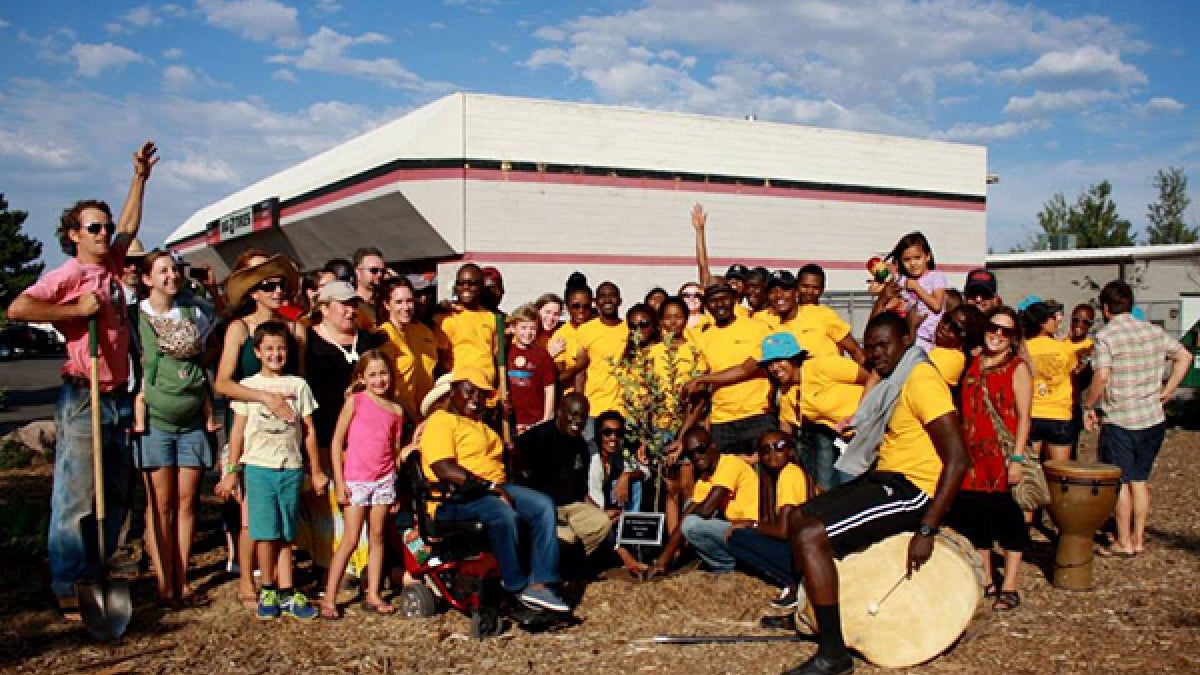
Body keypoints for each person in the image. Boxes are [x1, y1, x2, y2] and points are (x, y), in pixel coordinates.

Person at [8, 140, 157, 620]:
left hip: (116, 396)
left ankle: (99, 567)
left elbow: (132, 224)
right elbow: (19, 307)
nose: (104, 233)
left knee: (115, 491)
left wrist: (139, 178)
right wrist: (74, 311)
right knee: (76, 493)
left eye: (105, 227)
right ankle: (68, 579)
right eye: (94, 227)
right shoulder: (68, 273)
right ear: (74, 233)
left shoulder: (112, 265)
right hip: (82, 394)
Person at [782, 312, 967, 675]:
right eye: (870, 348)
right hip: (885, 477)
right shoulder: (893, 381)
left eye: (884, 345)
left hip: (913, 490)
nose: (876, 354)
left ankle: (833, 655)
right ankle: (811, 612)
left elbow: (958, 460)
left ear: (905, 342)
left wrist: (927, 529)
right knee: (799, 516)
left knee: (809, 536)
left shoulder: (922, 380)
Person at [419, 368, 570, 613]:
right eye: (469, 391)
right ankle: (516, 586)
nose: (475, 399)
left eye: (481, 394)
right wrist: (489, 487)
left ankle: (542, 582)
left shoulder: (483, 426)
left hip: (494, 488)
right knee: (502, 513)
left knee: (543, 505)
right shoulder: (441, 421)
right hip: (458, 496)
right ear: (453, 391)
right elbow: (444, 468)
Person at [215, 322, 328, 621]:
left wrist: (315, 470)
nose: (276, 355)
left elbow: (308, 431)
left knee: (287, 532)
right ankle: (267, 585)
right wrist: (231, 471)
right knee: (264, 532)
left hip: (289, 467)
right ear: (257, 352)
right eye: (269, 349)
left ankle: (287, 589)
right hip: (258, 467)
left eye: (281, 349)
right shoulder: (248, 387)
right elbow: (237, 433)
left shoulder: (298, 386)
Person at [213, 250, 307, 607]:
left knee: (282, 515)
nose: (277, 291)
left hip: (285, 435)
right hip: (249, 428)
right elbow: (223, 381)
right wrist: (263, 398)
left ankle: (281, 581)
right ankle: (246, 580)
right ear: (253, 292)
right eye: (268, 286)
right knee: (251, 515)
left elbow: (300, 380)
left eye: (281, 284)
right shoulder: (239, 329)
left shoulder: (295, 330)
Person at [133, 250, 219, 608]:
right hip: (156, 421)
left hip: (192, 420)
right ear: (147, 278)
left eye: (174, 269)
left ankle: (182, 579)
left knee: (187, 503)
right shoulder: (135, 317)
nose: (171, 275)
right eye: (162, 271)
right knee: (160, 503)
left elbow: (216, 324)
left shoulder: (193, 312)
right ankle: (164, 580)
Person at [1084, 281, 1190, 557]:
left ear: (1105, 308)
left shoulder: (1106, 336)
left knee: (1120, 482)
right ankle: (1138, 537)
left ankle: (1122, 540)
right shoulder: (1153, 331)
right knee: (1140, 480)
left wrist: (1089, 404)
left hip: (1121, 418)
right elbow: (1184, 356)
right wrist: (1168, 390)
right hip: (1152, 417)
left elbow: (1102, 376)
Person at [944, 306, 1032, 612]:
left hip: (1002, 455)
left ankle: (1009, 584)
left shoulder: (1017, 368)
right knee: (976, 517)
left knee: (1008, 518)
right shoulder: (972, 362)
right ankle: (986, 579)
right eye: (993, 328)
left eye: (1005, 331)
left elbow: (1023, 417)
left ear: (1014, 338)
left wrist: (1018, 458)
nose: (997, 335)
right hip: (972, 454)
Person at [303, 281, 385, 579]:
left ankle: (364, 568)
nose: (350, 310)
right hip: (325, 434)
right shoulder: (308, 341)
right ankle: (331, 567)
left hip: (364, 442)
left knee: (360, 508)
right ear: (324, 308)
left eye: (353, 304)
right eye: (342, 304)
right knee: (331, 507)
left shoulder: (367, 341)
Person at [320, 350, 405, 618]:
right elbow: (337, 442)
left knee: (378, 535)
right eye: (373, 375)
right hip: (356, 479)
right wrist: (340, 479)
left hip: (383, 480)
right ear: (362, 377)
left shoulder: (396, 410)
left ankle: (373, 593)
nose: (379, 380)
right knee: (351, 537)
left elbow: (394, 449)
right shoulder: (355, 402)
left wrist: (395, 488)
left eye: (383, 374)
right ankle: (330, 597)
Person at [514, 394, 614, 561]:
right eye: (573, 414)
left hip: (572, 507)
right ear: (559, 413)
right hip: (543, 509)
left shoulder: (581, 445)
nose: (578, 421)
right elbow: (519, 480)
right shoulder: (535, 439)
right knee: (567, 537)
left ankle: (570, 560)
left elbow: (582, 490)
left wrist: (600, 511)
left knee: (602, 522)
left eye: (583, 416)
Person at [647, 426, 759, 574]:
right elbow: (688, 513)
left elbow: (706, 510)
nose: (696, 457)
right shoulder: (705, 479)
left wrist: (690, 517)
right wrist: (662, 560)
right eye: (690, 454)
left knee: (692, 523)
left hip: (753, 530)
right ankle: (731, 564)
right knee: (689, 515)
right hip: (735, 529)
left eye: (700, 450)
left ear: (712, 445)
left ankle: (729, 566)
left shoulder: (729, 464)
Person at [765, 333, 868, 491]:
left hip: (868, 428)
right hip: (840, 439)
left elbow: (871, 378)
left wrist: (860, 415)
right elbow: (786, 425)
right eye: (769, 363)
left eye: (779, 360)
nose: (774, 368)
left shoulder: (822, 366)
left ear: (794, 358)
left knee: (851, 484)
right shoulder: (786, 391)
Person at [726, 430, 815, 611]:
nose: (772, 453)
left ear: (790, 451)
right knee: (741, 535)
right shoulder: (783, 475)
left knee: (738, 538)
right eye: (766, 450)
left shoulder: (789, 475)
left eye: (779, 447)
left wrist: (752, 524)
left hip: (803, 550)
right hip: (802, 548)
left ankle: (795, 583)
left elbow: (783, 532)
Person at [683, 280, 774, 456]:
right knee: (727, 477)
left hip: (757, 414)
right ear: (707, 306)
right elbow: (700, 379)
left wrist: (703, 379)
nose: (719, 305)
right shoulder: (703, 337)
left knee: (764, 476)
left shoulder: (758, 328)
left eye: (724, 299)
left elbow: (746, 369)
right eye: (713, 301)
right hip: (722, 421)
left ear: (733, 300)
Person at [587, 410, 648, 573]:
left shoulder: (618, 451)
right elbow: (594, 500)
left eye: (618, 433)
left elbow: (645, 471)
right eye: (607, 433)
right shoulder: (593, 459)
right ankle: (621, 551)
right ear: (598, 434)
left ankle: (630, 536)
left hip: (605, 503)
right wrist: (605, 515)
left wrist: (626, 475)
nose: (613, 438)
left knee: (634, 483)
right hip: (587, 508)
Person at [567, 281, 628, 433]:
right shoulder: (585, 330)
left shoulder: (629, 330)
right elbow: (580, 371)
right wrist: (579, 409)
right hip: (593, 408)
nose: (607, 300)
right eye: (602, 296)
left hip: (623, 410)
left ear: (619, 300)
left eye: (612, 296)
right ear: (596, 301)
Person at [377, 276, 439, 424]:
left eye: (409, 301)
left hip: (426, 411)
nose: (406, 307)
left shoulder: (423, 331)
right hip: (399, 414)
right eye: (399, 302)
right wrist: (412, 418)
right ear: (387, 304)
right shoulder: (384, 335)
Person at [1022, 301, 1078, 462]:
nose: (1056, 320)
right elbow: (1073, 374)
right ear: (1042, 322)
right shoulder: (1064, 348)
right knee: (1060, 474)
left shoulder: (1023, 349)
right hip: (1059, 413)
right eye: (1052, 318)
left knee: (1030, 472)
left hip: (1032, 412)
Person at [873, 232, 946, 351]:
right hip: (911, 337)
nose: (912, 263)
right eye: (907, 260)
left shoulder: (936, 276)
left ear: (927, 256)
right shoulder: (905, 281)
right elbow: (876, 289)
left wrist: (917, 288)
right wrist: (882, 275)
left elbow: (937, 306)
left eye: (917, 258)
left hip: (930, 340)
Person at [435, 264, 499, 385]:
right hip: (459, 389)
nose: (465, 287)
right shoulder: (445, 317)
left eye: (472, 283)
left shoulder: (491, 317)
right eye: (460, 283)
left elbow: (495, 357)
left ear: (481, 286)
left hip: (486, 388)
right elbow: (442, 361)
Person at [795, 264, 865, 363]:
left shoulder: (826, 315)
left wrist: (868, 377)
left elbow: (855, 350)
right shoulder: (787, 313)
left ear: (822, 289)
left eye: (815, 287)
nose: (809, 291)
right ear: (796, 286)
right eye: (805, 286)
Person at [506, 304, 557, 435]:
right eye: (523, 328)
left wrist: (546, 419)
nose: (528, 333)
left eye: (532, 329)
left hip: (535, 421)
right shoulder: (505, 352)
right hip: (510, 421)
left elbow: (549, 388)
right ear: (513, 328)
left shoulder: (542, 355)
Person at [551, 282, 594, 391]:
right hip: (572, 401)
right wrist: (579, 366)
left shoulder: (599, 328)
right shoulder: (561, 335)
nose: (581, 311)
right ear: (567, 306)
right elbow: (558, 379)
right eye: (576, 306)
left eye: (586, 306)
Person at [1067, 303, 1096, 454]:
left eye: (1086, 322)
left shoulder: (1091, 347)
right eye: (1076, 320)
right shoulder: (1062, 343)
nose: (1079, 325)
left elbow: (1080, 375)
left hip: (1075, 404)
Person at [352, 246, 387, 330]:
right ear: (358, 272)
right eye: (374, 270)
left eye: (382, 271)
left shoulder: (387, 302)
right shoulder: (350, 304)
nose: (379, 275)